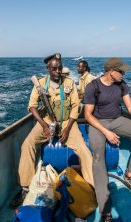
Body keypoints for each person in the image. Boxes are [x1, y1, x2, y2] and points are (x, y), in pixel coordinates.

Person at [13, 53, 94, 208]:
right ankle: (25, 187)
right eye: (54, 68)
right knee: (28, 144)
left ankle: (91, 188)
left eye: (60, 68)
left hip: (66, 123)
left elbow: (76, 106)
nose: (58, 71)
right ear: (48, 69)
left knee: (84, 151)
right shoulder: (40, 84)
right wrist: (43, 125)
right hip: (47, 122)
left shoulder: (69, 82)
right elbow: (32, 106)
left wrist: (68, 128)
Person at [83, 57, 131, 222]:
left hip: (117, 120)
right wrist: (106, 132)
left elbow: (130, 108)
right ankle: (104, 205)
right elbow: (87, 115)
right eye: (121, 71)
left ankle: (130, 174)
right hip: (97, 123)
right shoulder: (92, 86)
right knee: (98, 154)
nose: (123, 74)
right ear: (111, 72)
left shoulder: (122, 85)